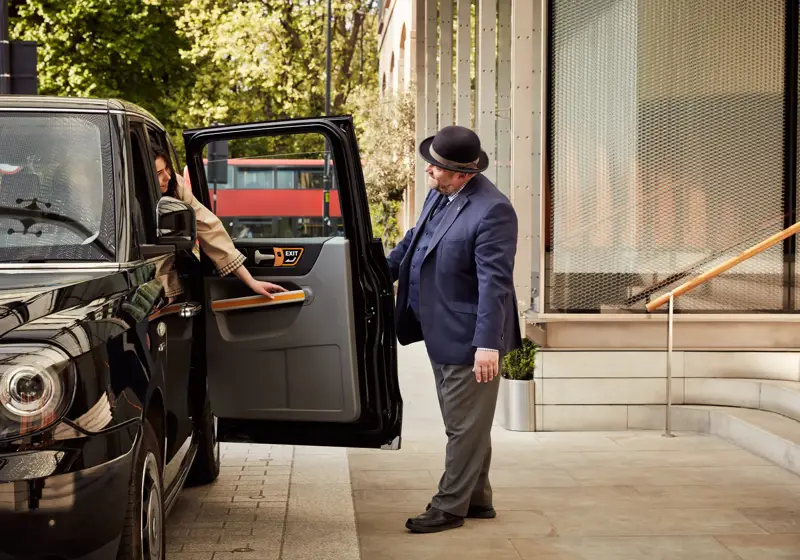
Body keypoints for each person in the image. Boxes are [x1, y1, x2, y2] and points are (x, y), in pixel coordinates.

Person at [386, 125, 522, 534]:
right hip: (440, 329)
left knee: (462, 426)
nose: (429, 170)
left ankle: (449, 506)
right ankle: (478, 498)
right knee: (467, 423)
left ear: (463, 173)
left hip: (469, 338)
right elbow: (413, 240)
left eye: (439, 167)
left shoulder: (494, 210)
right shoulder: (440, 194)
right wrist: (374, 272)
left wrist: (487, 345)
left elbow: (494, 284)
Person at [153, 150, 286, 301]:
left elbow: (209, 227)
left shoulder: (176, 186)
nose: (168, 177)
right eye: (158, 173)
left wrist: (251, 282)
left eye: (167, 168)